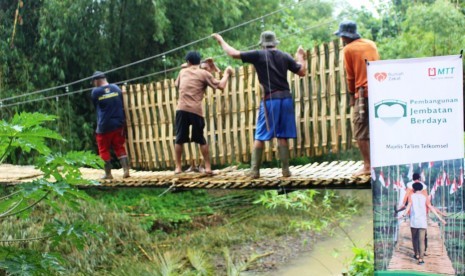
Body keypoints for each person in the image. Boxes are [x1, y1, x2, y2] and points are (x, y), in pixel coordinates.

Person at [212, 31, 307, 178]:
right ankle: (286, 171)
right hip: (286, 99)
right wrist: (301, 57)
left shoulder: (258, 54)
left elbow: (233, 54)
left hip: (271, 100)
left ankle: (254, 171)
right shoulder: (285, 56)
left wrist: (221, 41)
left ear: (262, 44)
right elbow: (301, 71)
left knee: (260, 135)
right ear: (275, 43)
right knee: (282, 135)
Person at [174, 51, 233, 174]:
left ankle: (178, 168)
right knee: (201, 139)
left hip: (181, 109)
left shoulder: (182, 72)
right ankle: (207, 168)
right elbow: (221, 86)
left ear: (188, 62)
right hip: (195, 110)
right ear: (198, 61)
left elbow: (176, 85)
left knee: (179, 139)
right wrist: (227, 74)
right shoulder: (204, 74)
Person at [334, 20, 379, 177]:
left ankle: (367, 166)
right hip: (378, 91)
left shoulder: (348, 49)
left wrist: (352, 96)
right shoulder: (371, 44)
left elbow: (351, 76)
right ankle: (377, 162)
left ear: (345, 37)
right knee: (375, 129)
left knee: (360, 129)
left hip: (363, 93)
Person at [91, 71, 130, 179]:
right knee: (119, 146)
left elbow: (95, 106)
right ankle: (126, 170)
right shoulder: (116, 88)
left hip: (104, 126)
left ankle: (108, 174)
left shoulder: (95, 92)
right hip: (118, 124)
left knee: (103, 149)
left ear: (97, 81)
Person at [403, 182, 446, 265]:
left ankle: (416, 254)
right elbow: (431, 207)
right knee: (422, 240)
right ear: (422, 189)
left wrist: (403, 215)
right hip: (422, 222)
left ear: (413, 189)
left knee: (414, 239)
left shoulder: (411, 196)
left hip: (414, 221)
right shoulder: (425, 197)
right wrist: (440, 219)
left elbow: (409, 206)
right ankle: (421, 259)